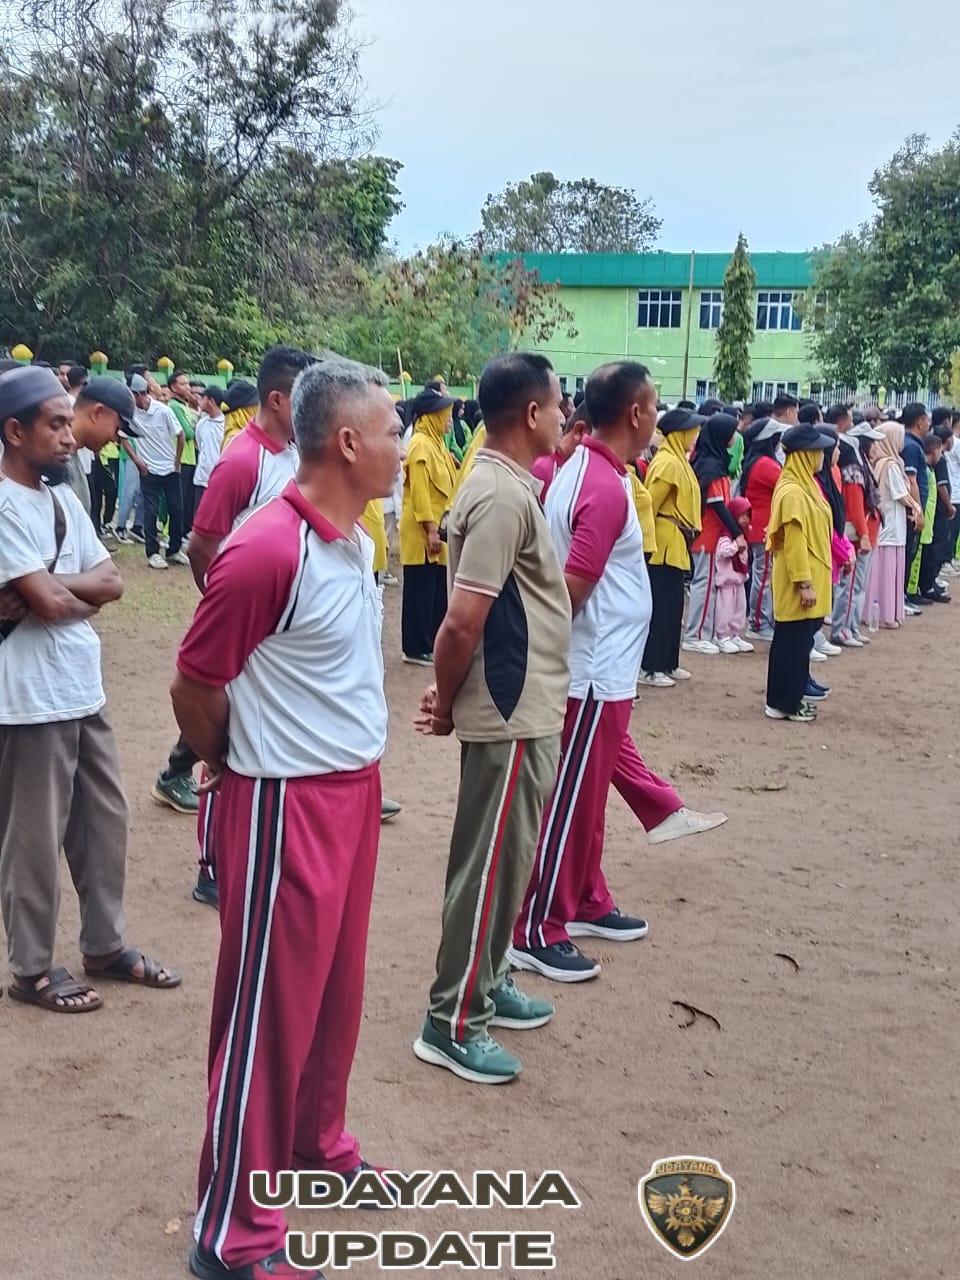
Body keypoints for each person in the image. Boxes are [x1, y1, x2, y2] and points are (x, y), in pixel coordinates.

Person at [172, 355, 400, 1280]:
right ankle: (232, 1229)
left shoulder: (354, 538)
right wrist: (232, 761)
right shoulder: (270, 547)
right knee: (266, 1012)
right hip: (282, 801)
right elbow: (194, 680)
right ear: (346, 442)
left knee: (332, 995)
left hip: (348, 794)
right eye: (392, 430)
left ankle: (313, 1147)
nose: (404, 444)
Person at [510, 362, 726, 984]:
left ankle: (583, 899)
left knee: (589, 800)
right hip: (590, 674)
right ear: (635, 413)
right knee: (570, 804)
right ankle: (535, 927)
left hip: (603, 672)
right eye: (655, 405)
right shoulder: (601, 486)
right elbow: (571, 589)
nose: (659, 416)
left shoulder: (596, 473)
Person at [412, 353, 570, 1085]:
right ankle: (451, 1019)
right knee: (485, 867)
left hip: (523, 703)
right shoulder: (501, 495)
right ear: (532, 415)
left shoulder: (506, 484)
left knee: (506, 862)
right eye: (559, 404)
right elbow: (461, 621)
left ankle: (490, 975)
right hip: (507, 707)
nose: (566, 416)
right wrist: (447, 703)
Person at [0, 366, 179, 1013]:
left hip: (81, 686)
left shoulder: (60, 500)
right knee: (32, 835)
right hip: (26, 698)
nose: (67, 435)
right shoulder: (2, 503)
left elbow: (109, 582)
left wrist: (49, 591)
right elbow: (51, 601)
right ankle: (32, 968)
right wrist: (53, 594)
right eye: (53, 423)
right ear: (14, 431)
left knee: (105, 821)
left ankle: (104, 945)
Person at [764, 423, 836, 723]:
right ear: (805, 454)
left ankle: (787, 699)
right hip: (798, 579)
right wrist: (804, 583)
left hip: (811, 572)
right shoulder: (793, 491)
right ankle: (784, 703)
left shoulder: (806, 484)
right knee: (791, 641)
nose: (822, 456)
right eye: (818, 451)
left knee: (797, 640)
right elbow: (793, 542)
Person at [639, 405, 703, 687]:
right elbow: (649, 504)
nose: (695, 436)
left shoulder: (679, 460)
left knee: (673, 607)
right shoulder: (667, 463)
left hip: (676, 542)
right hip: (664, 543)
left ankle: (668, 662)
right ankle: (651, 666)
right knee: (661, 607)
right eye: (692, 431)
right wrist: (645, 544)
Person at [400, 385, 457, 664]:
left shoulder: (437, 444)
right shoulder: (420, 444)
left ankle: (430, 642)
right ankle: (415, 646)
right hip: (423, 530)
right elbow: (420, 492)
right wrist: (430, 529)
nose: (450, 420)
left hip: (436, 528)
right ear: (432, 416)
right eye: (446, 415)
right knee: (420, 590)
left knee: (435, 591)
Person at [683, 412, 748, 654]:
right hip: (707, 534)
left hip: (711, 534)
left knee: (708, 584)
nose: (734, 436)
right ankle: (695, 634)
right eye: (731, 431)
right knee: (704, 584)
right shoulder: (711, 465)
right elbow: (718, 505)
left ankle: (703, 632)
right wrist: (736, 533)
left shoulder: (714, 461)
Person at [830, 423, 884, 647]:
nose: (875, 448)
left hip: (866, 532)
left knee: (857, 586)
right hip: (858, 534)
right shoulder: (853, 471)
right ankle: (842, 628)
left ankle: (850, 626)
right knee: (851, 585)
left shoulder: (861, 468)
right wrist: (862, 534)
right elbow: (855, 507)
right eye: (872, 443)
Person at [128, 376, 187, 570]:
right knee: (150, 512)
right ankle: (152, 552)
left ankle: (174, 550)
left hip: (170, 469)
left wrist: (176, 463)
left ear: (138, 394)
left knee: (176, 509)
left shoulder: (163, 411)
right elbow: (122, 437)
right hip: (149, 470)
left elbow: (180, 435)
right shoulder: (131, 413)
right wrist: (137, 461)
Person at [63, 377, 143, 516]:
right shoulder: (46, 466)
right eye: (117, 429)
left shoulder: (71, 457)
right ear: (97, 412)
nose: (115, 440)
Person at [866, 421, 919, 629]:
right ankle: (887, 614)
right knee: (888, 569)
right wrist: (917, 508)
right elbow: (901, 494)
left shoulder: (879, 462)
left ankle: (878, 612)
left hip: (885, 522)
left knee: (880, 568)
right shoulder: (891, 465)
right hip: (892, 524)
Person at [742, 418, 786, 641]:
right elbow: (786, 482)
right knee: (764, 575)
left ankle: (761, 619)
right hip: (763, 527)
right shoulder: (766, 465)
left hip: (760, 526)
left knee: (764, 574)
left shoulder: (758, 461)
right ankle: (758, 622)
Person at [900, 402, 930, 607]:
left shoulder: (914, 444)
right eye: (927, 420)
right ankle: (901, 597)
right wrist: (918, 511)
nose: (929, 424)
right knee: (907, 554)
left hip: (912, 510)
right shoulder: (911, 446)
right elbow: (911, 481)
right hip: (910, 512)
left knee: (910, 554)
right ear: (920, 422)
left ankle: (903, 596)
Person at [714, 496, 753, 654]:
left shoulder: (743, 535)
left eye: (747, 515)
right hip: (727, 581)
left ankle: (735, 634)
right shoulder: (727, 535)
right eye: (742, 515)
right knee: (725, 609)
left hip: (739, 580)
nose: (745, 519)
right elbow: (722, 551)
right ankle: (722, 636)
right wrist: (736, 546)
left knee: (739, 609)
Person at [914, 432, 949, 604]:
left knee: (926, 557)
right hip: (923, 522)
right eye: (940, 452)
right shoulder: (925, 472)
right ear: (935, 451)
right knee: (919, 560)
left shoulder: (929, 470)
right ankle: (916, 591)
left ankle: (924, 587)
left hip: (929, 522)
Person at [167, 369, 199, 538]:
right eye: (183, 384)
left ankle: (183, 532)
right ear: (173, 387)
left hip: (189, 457)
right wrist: (196, 428)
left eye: (188, 384)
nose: (188, 387)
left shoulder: (183, 406)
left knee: (187, 498)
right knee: (179, 499)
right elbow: (187, 432)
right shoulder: (173, 407)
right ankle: (171, 533)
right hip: (180, 458)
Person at [192, 386, 226, 506]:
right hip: (201, 480)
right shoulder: (201, 424)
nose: (200, 401)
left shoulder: (226, 424)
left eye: (203, 398)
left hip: (219, 482)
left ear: (211, 401)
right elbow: (199, 446)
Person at [220, 380, 259, 451]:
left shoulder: (241, 434)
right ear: (239, 412)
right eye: (253, 406)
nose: (257, 409)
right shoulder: (235, 439)